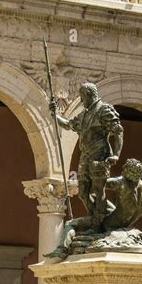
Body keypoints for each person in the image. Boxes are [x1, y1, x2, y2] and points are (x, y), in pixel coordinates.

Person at [50, 82, 123, 225]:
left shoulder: (104, 110)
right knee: (83, 192)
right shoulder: (84, 114)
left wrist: (116, 154)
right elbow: (68, 124)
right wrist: (54, 115)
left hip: (100, 156)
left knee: (98, 190)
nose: (81, 100)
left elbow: (118, 131)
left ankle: (99, 222)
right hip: (85, 157)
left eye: (82, 97)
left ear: (89, 95)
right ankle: (100, 218)